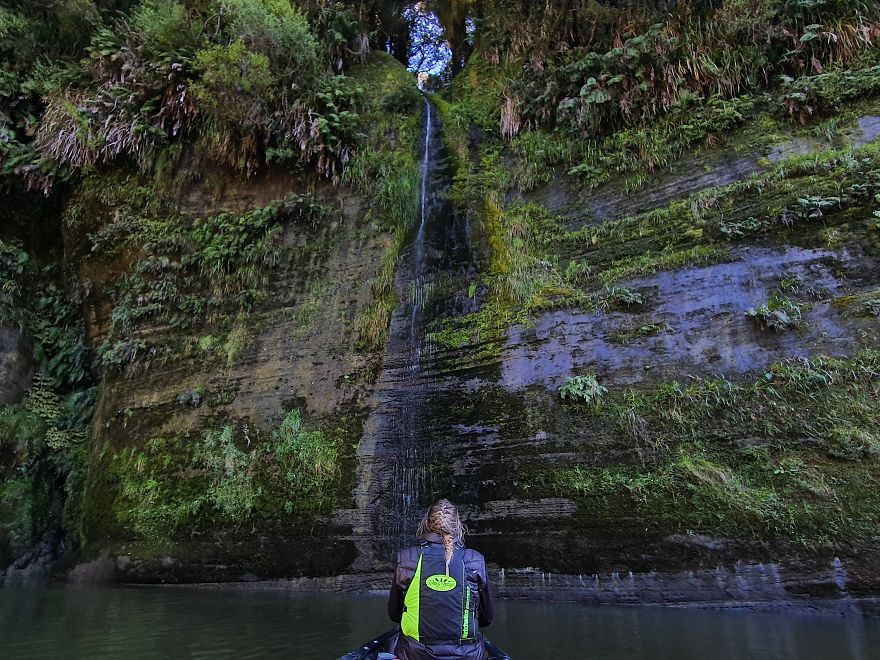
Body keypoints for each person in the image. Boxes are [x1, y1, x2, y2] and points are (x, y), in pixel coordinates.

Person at [387, 499, 494, 660]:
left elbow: (394, 615)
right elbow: (486, 618)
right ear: (458, 526)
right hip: (467, 656)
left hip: (415, 654)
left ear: (426, 524)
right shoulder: (475, 559)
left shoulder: (407, 557)